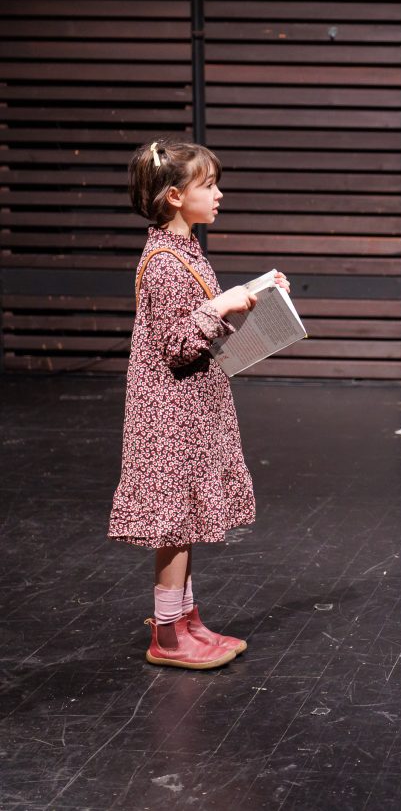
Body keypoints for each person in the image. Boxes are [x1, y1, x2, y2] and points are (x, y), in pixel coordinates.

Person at [109, 139, 291, 670]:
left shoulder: (185, 250)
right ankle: (167, 633)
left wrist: (252, 294)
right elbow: (176, 343)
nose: (217, 195)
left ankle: (187, 620)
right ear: (174, 196)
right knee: (174, 522)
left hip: (191, 405)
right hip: (170, 413)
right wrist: (222, 304)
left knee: (186, 518)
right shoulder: (165, 263)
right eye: (207, 186)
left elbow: (196, 318)